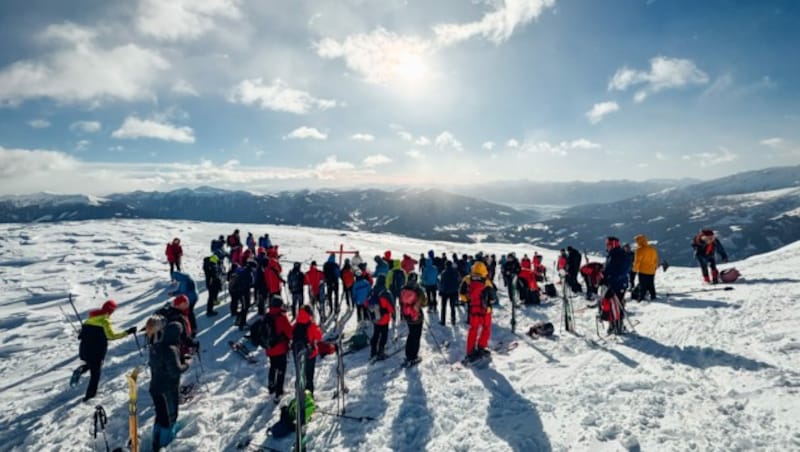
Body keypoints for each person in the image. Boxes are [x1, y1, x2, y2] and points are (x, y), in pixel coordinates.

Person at [71, 300, 136, 401]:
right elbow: (112, 336)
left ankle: (81, 369)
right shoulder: (104, 321)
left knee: (91, 365)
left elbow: (81, 334)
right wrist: (128, 332)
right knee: (95, 375)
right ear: (110, 310)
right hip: (96, 352)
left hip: (84, 349)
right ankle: (90, 396)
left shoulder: (91, 319)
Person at [148, 303, 191, 451]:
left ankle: (155, 440)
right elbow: (176, 371)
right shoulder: (171, 349)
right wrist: (186, 363)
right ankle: (164, 444)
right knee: (169, 417)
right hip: (167, 388)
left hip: (155, 387)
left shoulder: (155, 346)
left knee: (160, 416)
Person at [461, 261, 497, 361]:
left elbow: (462, 295)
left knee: (473, 329)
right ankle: (481, 347)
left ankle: (470, 351)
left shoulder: (467, 279)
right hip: (486, 311)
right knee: (486, 328)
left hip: (473, 309)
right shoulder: (486, 281)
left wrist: (469, 299)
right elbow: (493, 298)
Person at [265, 295, 293, 401]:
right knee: (281, 369)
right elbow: (289, 333)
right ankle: (279, 392)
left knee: (273, 367)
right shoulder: (281, 317)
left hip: (269, 348)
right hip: (280, 348)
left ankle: (271, 387)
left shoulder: (267, 316)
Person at [399, 273, 427, 366]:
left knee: (411, 334)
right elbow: (424, 303)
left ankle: (408, 354)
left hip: (407, 315)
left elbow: (401, 302)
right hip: (416, 316)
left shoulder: (403, 288)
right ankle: (413, 356)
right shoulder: (418, 290)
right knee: (416, 335)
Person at [292, 305, 322, 395]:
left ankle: (299, 395)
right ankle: (309, 396)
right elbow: (319, 336)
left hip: (298, 354)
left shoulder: (296, 325)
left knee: (300, 375)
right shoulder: (311, 325)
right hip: (310, 354)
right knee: (309, 377)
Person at [602, 236, 629, 334]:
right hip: (612, 283)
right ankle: (612, 323)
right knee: (608, 302)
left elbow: (623, 271)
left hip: (620, 284)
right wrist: (603, 275)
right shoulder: (611, 255)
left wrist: (612, 278)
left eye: (608, 244)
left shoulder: (621, 255)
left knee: (618, 303)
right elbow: (609, 268)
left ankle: (619, 324)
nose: (607, 246)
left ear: (613, 244)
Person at [366, 275, 394, 360]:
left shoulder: (372, 291)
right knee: (383, 336)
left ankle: (373, 352)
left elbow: (366, 303)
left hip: (375, 318)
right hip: (384, 319)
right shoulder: (386, 293)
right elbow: (391, 308)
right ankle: (381, 352)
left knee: (376, 334)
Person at [632, 235, 659, 300]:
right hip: (652, 271)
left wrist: (634, 270)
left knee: (642, 285)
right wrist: (655, 267)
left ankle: (641, 298)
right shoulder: (652, 249)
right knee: (651, 284)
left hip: (643, 271)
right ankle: (653, 296)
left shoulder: (639, 250)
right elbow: (656, 260)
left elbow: (637, 261)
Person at [438, 260, 460, 326]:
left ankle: (443, 321)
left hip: (445, 292)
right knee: (452, 307)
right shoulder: (455, 272)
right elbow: (458, 281)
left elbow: (441, 283)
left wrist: (440, 290)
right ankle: (453, 320)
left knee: (443, 307)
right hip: (453, 291)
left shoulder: (443, 273)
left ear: (446, 265)